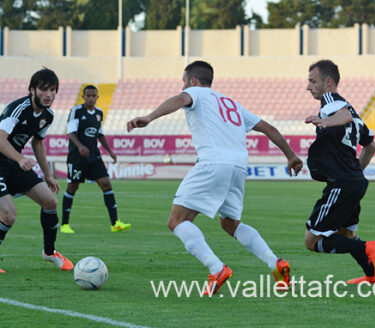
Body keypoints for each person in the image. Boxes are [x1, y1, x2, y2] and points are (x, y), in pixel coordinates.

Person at [127, 61, 303, 294]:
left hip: (213, 162)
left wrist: (149, 117)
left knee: (177, 221)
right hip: (239, 166)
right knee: (230, 223)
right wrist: (290, 156)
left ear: (192, 80)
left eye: (183, 82)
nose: (183, 87)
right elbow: (269, 128)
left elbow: (180, 100)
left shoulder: (194, 92)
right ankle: (275, 263)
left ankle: (216, 267)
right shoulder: (231, 102)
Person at [304, 59, 375, 284]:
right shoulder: (355, 113)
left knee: (312, 241)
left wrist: (323, 123)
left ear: (328, 82)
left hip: (343, 183)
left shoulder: (331, 102)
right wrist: (356, 172)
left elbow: (342, 115)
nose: (308, 87)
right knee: (346, 235)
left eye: (312, 81)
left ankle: (369, 248)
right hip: (355, 182)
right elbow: (371, 145)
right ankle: (372, 274)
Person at [0, 68, 74, 273]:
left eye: (52, 90)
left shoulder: (47, 116)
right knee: (8, 214)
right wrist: (20, 158)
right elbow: (0, 139)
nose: (48, 94)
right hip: (4, 161)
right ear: (32, 90)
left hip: (14, 164)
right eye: (43, 89)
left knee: (50, 201)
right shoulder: (18, 109)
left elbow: (38, 143)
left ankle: (49, 252)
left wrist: (48, 174)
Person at [61, 85, 131, 233]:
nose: (91, 99)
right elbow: (70, 132)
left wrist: (110, 152)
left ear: (97, 97)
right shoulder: (76, 111)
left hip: (94, 155)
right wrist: (80, 147)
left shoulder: (99, 113)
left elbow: (100, 134)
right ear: (83, 96)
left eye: (94, 96)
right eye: (88, 96)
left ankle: (115, 223)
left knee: (106, 184)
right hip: (77, 157)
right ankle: (65, 225)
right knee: (72, 187)